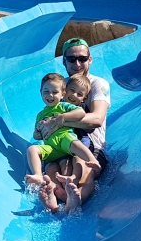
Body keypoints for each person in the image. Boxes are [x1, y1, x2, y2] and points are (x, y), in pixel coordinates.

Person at [38, 38, 110, 212]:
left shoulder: (98, 84)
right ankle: (54, 199)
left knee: (84, 171)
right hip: (60, 144)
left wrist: (59, 120)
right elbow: (47, 114)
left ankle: (75, 202)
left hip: (90, 145)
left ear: (90, 59)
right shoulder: (59, 87)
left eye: (82, 59)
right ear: (64, 61)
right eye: (71, 59)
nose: (77, 64)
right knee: (53, 172)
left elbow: (97, 119)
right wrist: (43, 128)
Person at [25, 73, 101, 213]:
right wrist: (38, 131)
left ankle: (74, 186)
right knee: (46, 165)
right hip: (52, 148)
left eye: (55, 92)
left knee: (73, 161)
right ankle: (51, 194)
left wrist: (62, 118)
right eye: (46, 92)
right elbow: (36, 135)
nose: (50, 95)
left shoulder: (64, 107)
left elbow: (83, 114)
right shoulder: (41, 114)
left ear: (62, 94)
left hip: (65, 141)